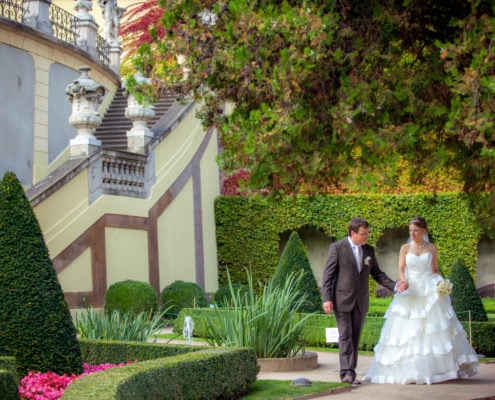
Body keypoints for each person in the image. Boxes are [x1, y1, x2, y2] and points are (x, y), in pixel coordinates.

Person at [364, 216, 479, 384]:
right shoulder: (405, 248)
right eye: (410, 230)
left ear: (424, 231)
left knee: (434, 329)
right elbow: (401, 269)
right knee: (409, 330)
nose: (413, 233)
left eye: (416, 230)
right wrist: (403, 281)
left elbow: (434, 269)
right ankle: (408, 370)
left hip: (429, 289)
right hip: (411, 289)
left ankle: (436, 370)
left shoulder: (432, 248)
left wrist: (441, 283)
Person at [321, 217, 408, 385]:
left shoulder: (369, 250)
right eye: (363, 234)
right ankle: (346, 373)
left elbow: (377, 274)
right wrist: (327, 299)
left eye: (367, 233)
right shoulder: (337, 248)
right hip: (342, 300)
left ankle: (350, 371)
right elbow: (328, 275)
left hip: (361, 301)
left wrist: (395, 285)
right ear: (353, 233)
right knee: (345, 336)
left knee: (354, 337)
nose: (366, 236)